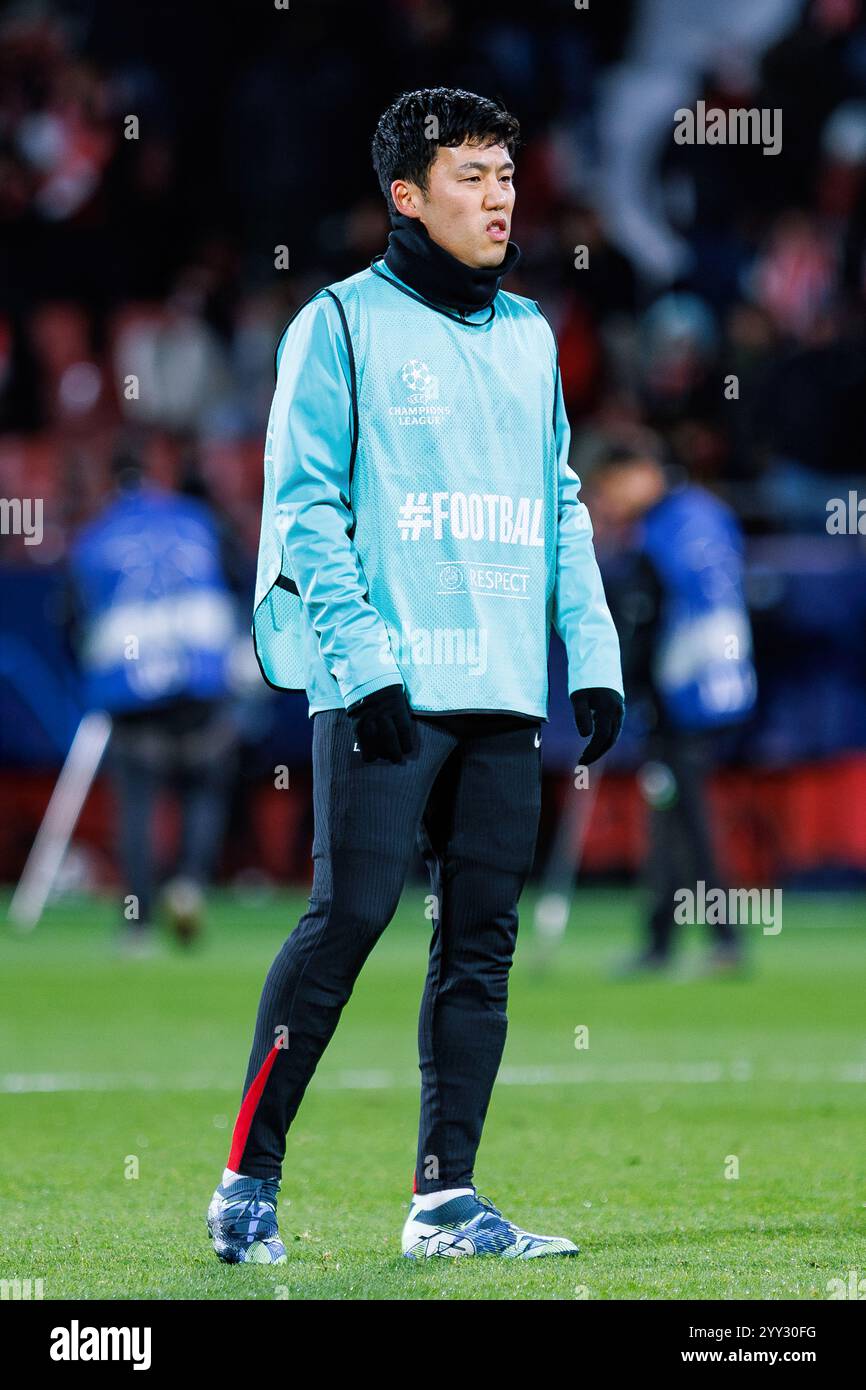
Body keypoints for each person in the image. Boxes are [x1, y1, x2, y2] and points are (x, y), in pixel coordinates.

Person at [207, 88, 624, 1265]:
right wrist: (362, 662)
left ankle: (446, 1200)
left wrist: (586, 651)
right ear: (406, 196)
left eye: (505, 175)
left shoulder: (532, 334)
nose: (499, 199)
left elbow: (556, 501)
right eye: (471, 177)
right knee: (347, 917)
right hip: (383, 687)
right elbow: (304, 511)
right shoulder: (335, 326)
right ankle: (247, 1180)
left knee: (478, 946)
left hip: (501, 686)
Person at [591, 443, 757, 974]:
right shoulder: (703, 513)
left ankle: (720, 939)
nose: (609, 504)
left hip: (684, 691)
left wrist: (635, 682)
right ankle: (666, 937)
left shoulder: (666, 529)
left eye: (611, 488)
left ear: (640, 473)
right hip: (708, 685)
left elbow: (665, 614)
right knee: (671, 813)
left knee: (685, 815)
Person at [68, 448, 240, 948]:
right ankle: (188, 884)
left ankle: (138, 920)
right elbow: (236, 583)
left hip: (128, 683)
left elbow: (71, 619)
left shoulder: (93, 538)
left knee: (138, 801)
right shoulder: (199, 520)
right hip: (201, 677)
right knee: (204, 788)